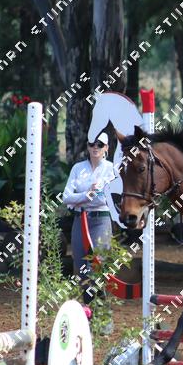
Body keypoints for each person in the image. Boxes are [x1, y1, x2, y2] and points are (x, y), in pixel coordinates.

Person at [62, 131, 117, 333]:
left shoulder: (111, 169)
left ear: (106, 148)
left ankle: (104, 316)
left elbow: (105, 199)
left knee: (97, 267)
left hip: (101, 220)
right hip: (80, 219)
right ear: (87, 146)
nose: (95, 147)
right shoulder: (78, 168)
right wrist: (86, 195)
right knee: (81, 268)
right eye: (92, 144)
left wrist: (83, 197)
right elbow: (66, 197)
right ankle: (89, 314)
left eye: (100, 144)